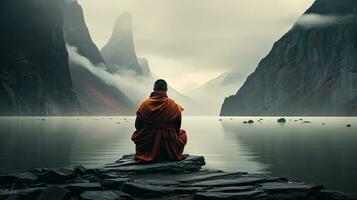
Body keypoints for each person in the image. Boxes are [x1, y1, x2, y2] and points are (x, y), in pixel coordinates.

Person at [131, 79, 187, 162]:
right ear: (166, 90)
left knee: (137, 133)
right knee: (182, 133)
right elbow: (177, 128)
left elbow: (138, 126)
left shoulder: (144, 104)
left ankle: (148, 154)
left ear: (154, 89)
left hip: (149, 142)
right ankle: (168, 154)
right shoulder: (174, 105)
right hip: (168, 145)